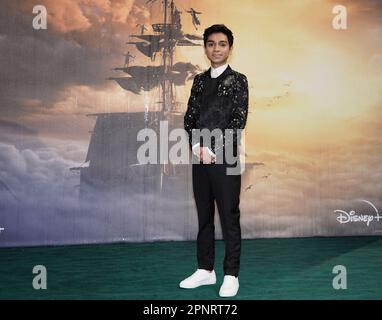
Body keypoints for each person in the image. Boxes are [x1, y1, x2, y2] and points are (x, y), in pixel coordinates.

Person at [181, 24, 249, 297]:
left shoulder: (239, 80)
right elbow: (190, 118)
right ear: (205, 47)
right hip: (200, 156)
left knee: (229, 216)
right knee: (204, 214)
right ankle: (205, 270)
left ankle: (231, 274)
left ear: (230, 48)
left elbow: (237, 121)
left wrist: (215, 150)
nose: (216, 48)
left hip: (227, 155)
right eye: (211, 43)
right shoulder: (199, 81)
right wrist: (198, 146)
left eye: (222, 44)